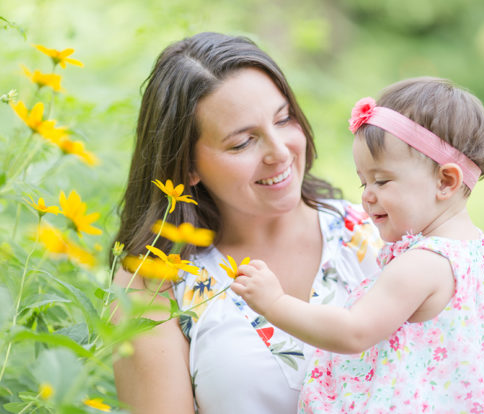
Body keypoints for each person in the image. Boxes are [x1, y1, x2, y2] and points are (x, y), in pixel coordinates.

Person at [232, 77, 484, 413]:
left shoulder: (423, 263)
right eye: (363, 181)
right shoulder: (483, 256)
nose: (366, 195)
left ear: (445, 181)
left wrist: (274, 303)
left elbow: (354, 331)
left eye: (381, 180)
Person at [110, 32, 382, 413]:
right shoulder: (152, 281)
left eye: (284, 119)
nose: (279, 151)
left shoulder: (375, 234)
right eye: (242, 143)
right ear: (188, 167)